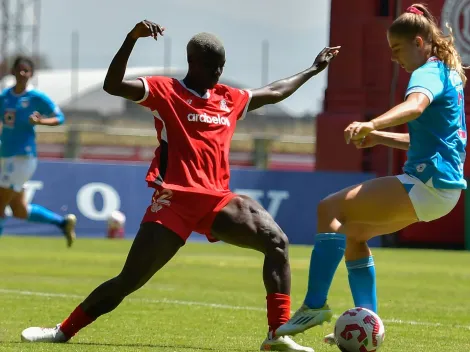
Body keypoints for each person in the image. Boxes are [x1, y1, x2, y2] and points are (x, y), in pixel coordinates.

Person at [20, 20, 340, 351]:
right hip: (175, 201)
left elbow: (275, 92)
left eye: (223, 67)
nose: (219, 73)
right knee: (128, 281)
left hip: (218, 201)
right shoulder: (165, 91)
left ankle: (276, 335)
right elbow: (112, 85)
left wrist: (313, 69)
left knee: (277, 242)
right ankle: (62, 330)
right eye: (214, 67)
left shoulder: (227, 98)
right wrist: (131, 39)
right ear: (194, 64)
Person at [275, 3, 467, 345]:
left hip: (426, 185)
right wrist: (378, 136)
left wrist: (372, 122)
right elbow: (422, 137)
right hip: (441, 191)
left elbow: (415, 106)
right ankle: (370, 322)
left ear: (419, 43)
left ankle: (315, 305)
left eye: (397, 49)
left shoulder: (424, 74)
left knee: (329, 210)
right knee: (354, 236)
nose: (395, 58)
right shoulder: (446, 71)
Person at [0, 56, 77, 247]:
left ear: (31, 74)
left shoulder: (36, 98)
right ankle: (63, 223)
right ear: (13, 72)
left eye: (27, 70)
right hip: (4, 156)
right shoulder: (4, 97)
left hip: (22, 158)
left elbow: (59, 118)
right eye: (20, 69)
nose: (23, 73)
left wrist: (41, 121)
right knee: (19, 210)